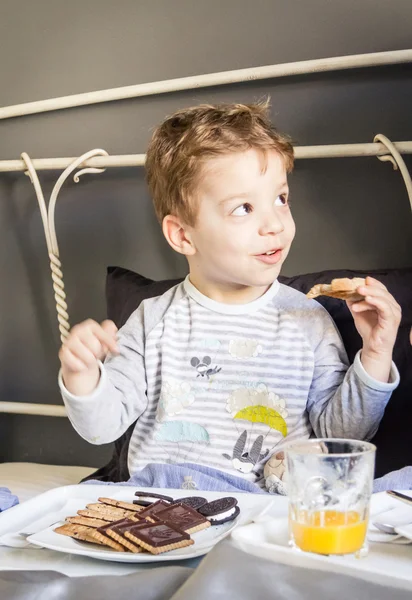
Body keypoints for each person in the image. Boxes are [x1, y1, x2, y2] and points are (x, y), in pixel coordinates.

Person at [58, 101, 401, 492]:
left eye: (281, 199)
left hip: (267, 511)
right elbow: (101, 428)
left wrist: (375, 355)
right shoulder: (153, 320)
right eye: (243, 208)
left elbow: (343, 435)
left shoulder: (308, 319)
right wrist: (82, 375)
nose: (274, 224)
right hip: (166, 503)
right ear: (183, 235)